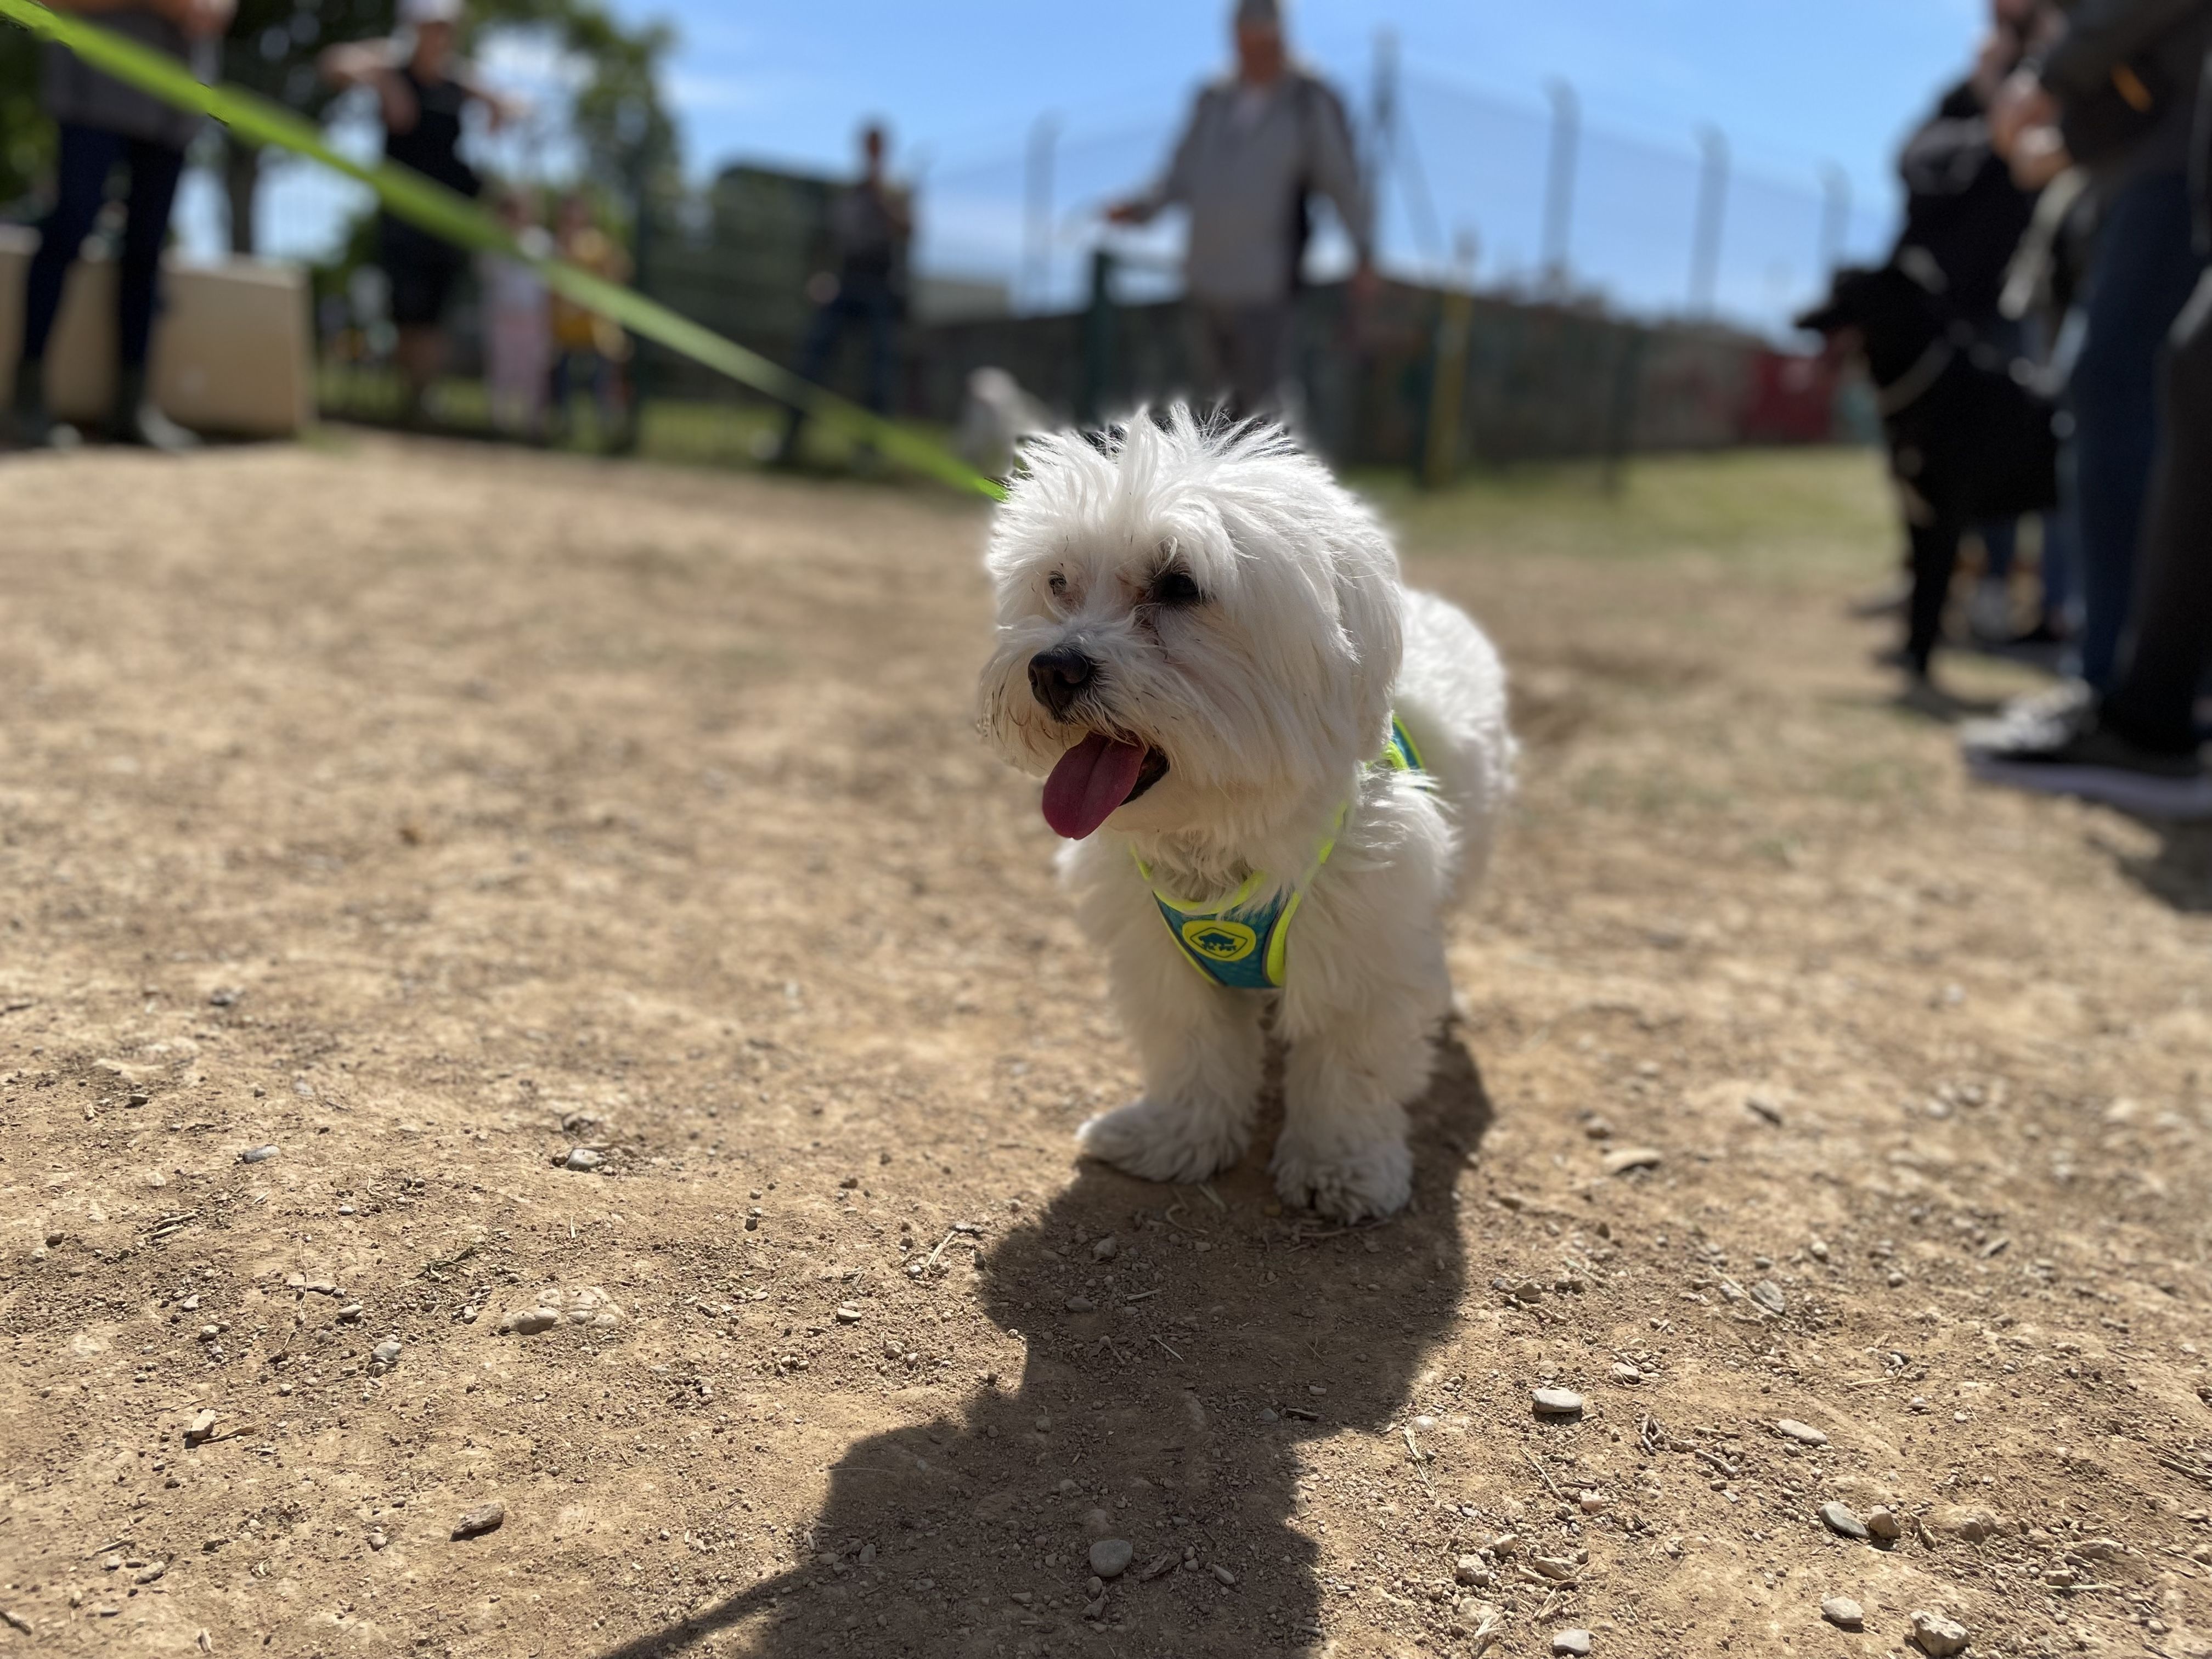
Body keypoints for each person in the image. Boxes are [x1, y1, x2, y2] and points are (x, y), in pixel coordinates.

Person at [1990, 0, 2212, 691]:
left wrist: (2048, 76)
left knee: (2121, 391)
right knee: (2125, 395)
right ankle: (2128, 677)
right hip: (2144, 164)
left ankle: (2127, 681)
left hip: (2173, 166)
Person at [1965, 201, 2212, 812]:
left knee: (2155, 371)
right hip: (2162, 171)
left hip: (2163, 164)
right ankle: (2140, 701)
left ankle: (2141, 705)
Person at [1107, 0, 1375, 419]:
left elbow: (1342, 180)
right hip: (1204, 279)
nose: (1253, 55)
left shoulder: (1308, 99)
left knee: (1261, 414)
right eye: (1244, 44)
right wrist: (1140, 209)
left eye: (1263, 44)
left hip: (1265, 287)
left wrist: (1362, 250)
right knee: (1208, 413)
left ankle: (1277, 484)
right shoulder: (1212, 98)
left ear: (1281, 38)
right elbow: (1180, 175)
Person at [5, 0, 235, 453]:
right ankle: (27, 397)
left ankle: (132, 405)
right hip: (94, 84)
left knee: (148, 249)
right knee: (69, 227)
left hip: (176, 94)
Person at [320, 0, 516, 426]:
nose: (439, 36)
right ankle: (412, 399)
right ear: (414, 29)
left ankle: (422, 399)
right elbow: (334, 63)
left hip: (448, 211)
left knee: (435, 311)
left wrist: (498, 105)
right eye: (431, 27)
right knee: (407, 309)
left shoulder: (458, 79)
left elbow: (515, 104)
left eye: (446, 28)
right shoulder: (392, 65)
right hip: (403, 213)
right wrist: (385, 80)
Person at [773, 122, 910, 466]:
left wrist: (880, 197)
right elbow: (829, 242)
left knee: (878, 374)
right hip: (846, 285)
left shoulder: (895, 191)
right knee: (812, 358)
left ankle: (869, 453)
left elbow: (907, 231)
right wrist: (820, 277)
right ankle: (790, 442)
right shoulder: (850, 193)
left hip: (880, 288)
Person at [546, 191, 634, 449]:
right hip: (563, 332)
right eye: (567, 211)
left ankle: (606, 430)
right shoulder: (555, 246)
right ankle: (564, 427)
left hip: (596, 333)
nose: (571, 216)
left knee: (601, 384)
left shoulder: (597, 244)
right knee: (562, 384)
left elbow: (621, 272)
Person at [480, 187, 550, 441]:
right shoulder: (493, 243)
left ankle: (532, 425)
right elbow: (485, 273)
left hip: (533, 319)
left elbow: (550, 281)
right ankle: (499, 423)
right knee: (502, 370)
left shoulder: (541, 242)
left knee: (531, 371)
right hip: (503, 317)